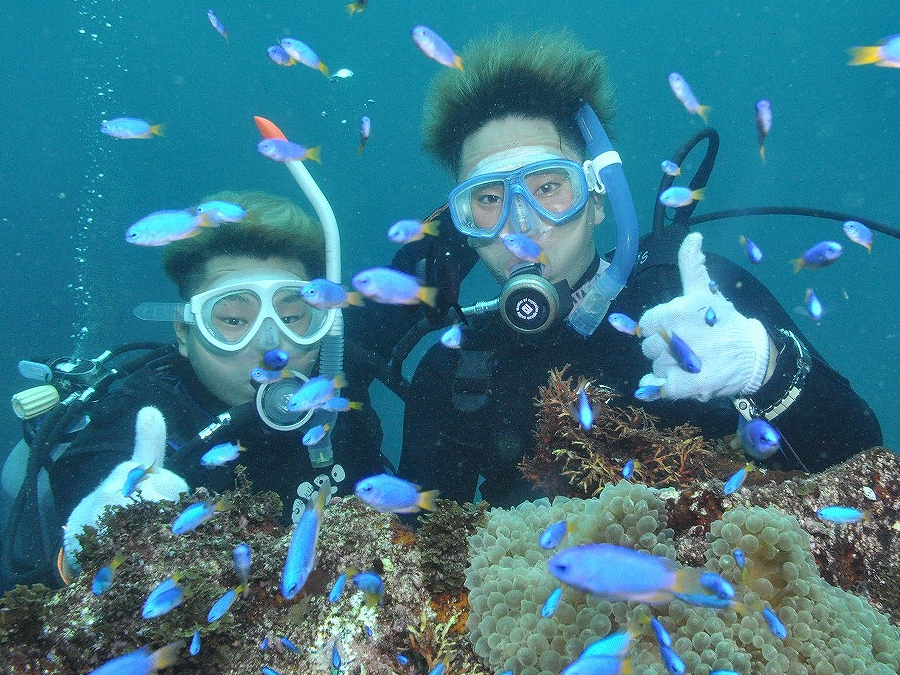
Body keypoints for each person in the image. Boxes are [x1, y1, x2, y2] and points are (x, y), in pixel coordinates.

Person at [361, 30, 882, 507]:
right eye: (488, 199)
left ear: (597, 199)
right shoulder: (455, 369)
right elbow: (422, 553)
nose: (522, 225)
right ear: (462, 225)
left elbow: (863, 460)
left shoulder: (692, 292)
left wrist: (764, 368)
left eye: (548, 188)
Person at [0, 190, 389, 590]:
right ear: (185, 332)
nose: (273, 346)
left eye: (292, 316)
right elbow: (64, 577)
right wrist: (101, 534)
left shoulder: (337, 384)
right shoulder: (134, 418)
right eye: (234, 319)